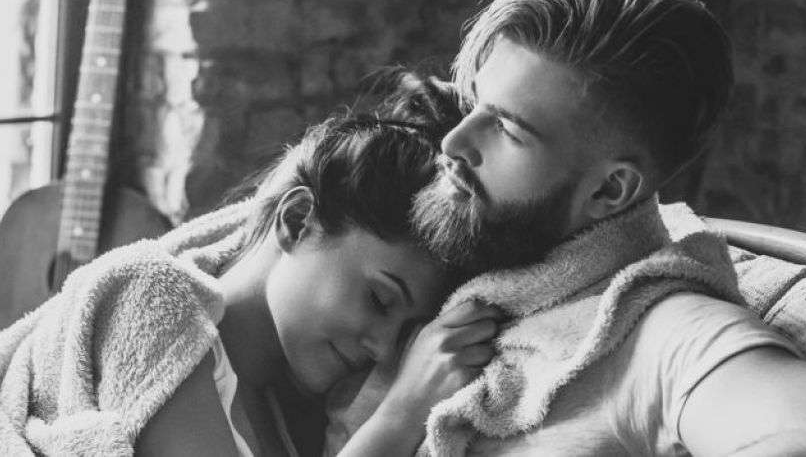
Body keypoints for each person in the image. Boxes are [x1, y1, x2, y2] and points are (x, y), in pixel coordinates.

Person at [332, 0, 806, 456]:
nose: (454, 142)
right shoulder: (468, 267)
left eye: (507, 129)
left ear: (608, 191)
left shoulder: (662, 331)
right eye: (474, 104)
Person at [0, 75, 502, 456]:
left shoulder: (294, 419)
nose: (383, 347)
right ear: (297, 220)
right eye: (379, 299)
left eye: (406, 331)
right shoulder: (153, 295)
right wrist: (401, 415)